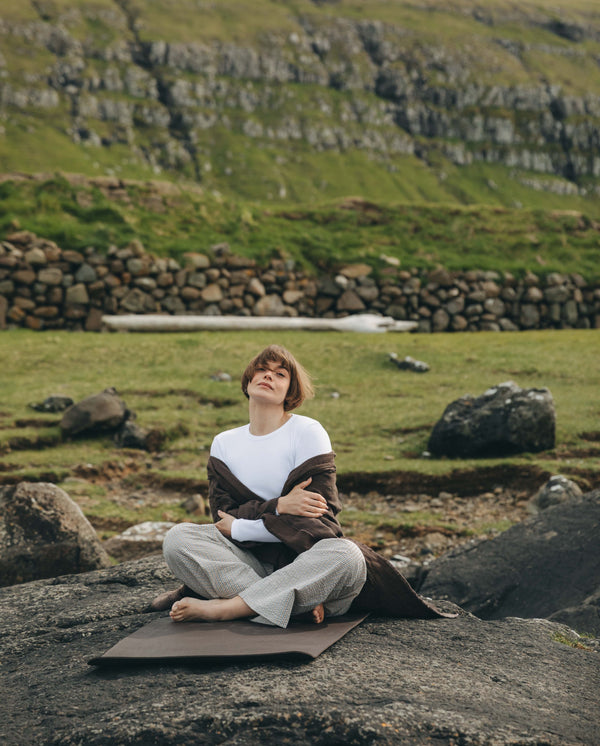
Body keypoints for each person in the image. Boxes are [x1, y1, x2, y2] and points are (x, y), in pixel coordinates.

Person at [154, 344, 455, 628]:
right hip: (251, 565)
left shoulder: (307, 431)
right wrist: (278, 506)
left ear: (291, 390)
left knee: (347, 555)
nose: (268, 375)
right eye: (261, 370)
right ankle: (287, 606)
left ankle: (229, 608)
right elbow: (222, 518)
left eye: (280, 373)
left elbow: (315, 520)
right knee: (179, 539)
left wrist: (242, 527)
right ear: (247, 381)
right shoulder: (224, 443)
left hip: (310, 567)